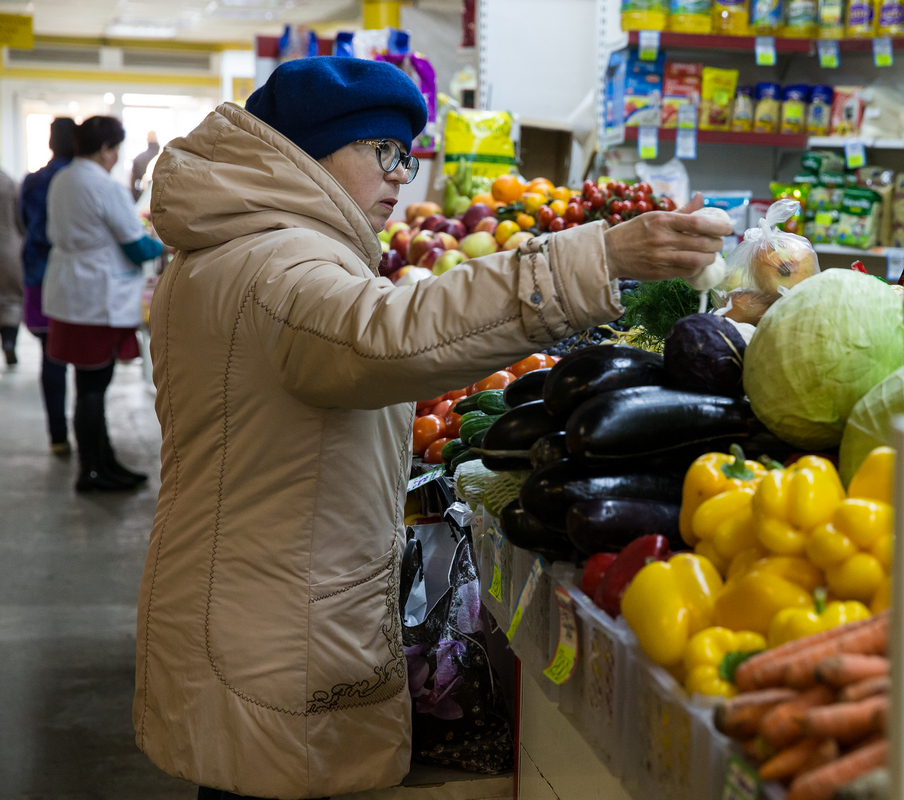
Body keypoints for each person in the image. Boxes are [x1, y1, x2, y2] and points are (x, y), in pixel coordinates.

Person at [135, 57, 730, 800]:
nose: (399, 178)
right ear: (308, 151)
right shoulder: (279, 268)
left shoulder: (236, 246)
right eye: (382, 152)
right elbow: (387, 335)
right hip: (277, 634)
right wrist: (596, 258)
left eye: (406, 156)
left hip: (252, 603)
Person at [42, 115, 163, 492]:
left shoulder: (63, 178)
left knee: (86, 384)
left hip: (70, 291)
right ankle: (92, 470)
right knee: (95, 386)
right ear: (107, 149)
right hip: (96, 297)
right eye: (115, 150)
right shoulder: (103, 185)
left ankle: (101, 461)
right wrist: (166, 244)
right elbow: (135, 243)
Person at [20, 117, 75, 452]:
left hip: (36, 271)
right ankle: (90, 437)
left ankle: (58, 436)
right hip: (69, 276)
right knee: (85, 360)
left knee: (49, 355)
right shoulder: (79, 178)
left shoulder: (33, 180)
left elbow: (23, 222)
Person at [0, 168, 22, 366]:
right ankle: (8, 341)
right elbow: (21, 217)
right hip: (8, 246)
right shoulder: (8, 181)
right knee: (11, 299)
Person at [130, 130, 159, 201]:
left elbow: (133, 184)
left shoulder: (139, 158)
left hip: (144, 200)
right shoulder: (165, 156)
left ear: (147, 140)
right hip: (162, 201)